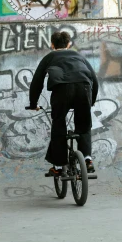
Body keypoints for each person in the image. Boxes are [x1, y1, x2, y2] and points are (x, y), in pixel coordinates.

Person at [28, 31, 98, 176]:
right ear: (69, 44)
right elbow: (94, 80)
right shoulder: (79, 56)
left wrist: (33, 103)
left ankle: (59, 167)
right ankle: (87, 159)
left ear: (52, 45)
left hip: (62, 91)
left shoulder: (49, 57)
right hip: (84, 90)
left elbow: (37, 82)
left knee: (58, 124)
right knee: (84, 125)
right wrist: (91, 101)